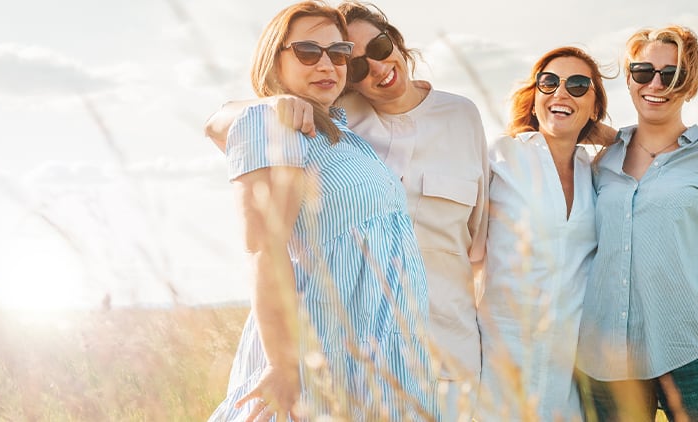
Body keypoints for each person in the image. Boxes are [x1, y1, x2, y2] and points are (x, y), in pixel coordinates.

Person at [205, 2, 489, 419]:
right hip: (324, 356)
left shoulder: (342, 132)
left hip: (394, 364)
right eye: (308, 51)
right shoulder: (270, 124)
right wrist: (281, 365)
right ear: (274, 56)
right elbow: (264, 251)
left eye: (337, 54)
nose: (328, 64)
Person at [576, 25, 698, 421]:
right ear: (629, 79)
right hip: (607, 362)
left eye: (672, 73)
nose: (656, 83)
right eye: (643, 72)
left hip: (691, 353)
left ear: (689, 84)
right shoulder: (600, 162)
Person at [475, 46, 609, 421]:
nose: (561, 93)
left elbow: (636, 144)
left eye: (579, 85)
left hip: (565, 376)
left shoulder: (597, 171)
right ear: (534, 96)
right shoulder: (499, 155)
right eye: (548, 83)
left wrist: (603, 133)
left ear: (596, 105)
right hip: (498, 366)